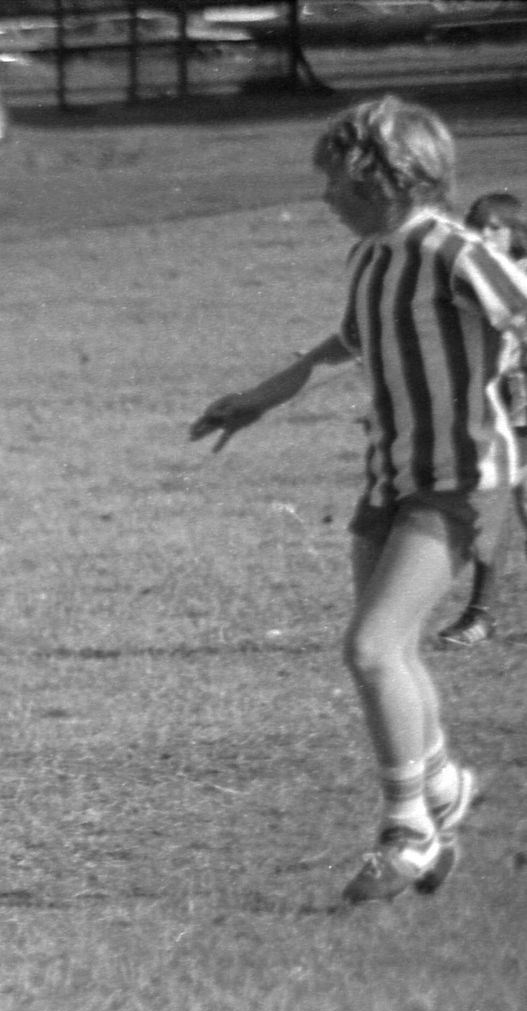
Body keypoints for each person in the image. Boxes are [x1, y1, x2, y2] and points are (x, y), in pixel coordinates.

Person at [192, 97, 527, 905]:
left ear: (384, 179)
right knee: (394, 652)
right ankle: (443, 787)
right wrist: (256, 398)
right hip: (389, 479)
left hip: (461, 481)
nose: (324, 198)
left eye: (334, 183)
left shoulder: (453, 251)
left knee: (370, 649)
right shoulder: (371, 257)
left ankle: (407, 828)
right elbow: (346, 341)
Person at [435, 189, 527, 649]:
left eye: (495, 228)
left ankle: (481, 615)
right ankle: (480, 614)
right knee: (500, 505)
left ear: (515, 233)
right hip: (494, 406)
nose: (485, 236)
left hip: (520, 406)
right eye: (478, 227)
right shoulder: (471, 276)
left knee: (510, 503)